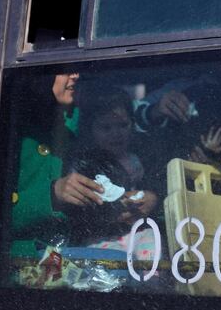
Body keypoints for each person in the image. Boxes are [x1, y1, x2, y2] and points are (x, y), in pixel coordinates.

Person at [10, 72, 106, 258]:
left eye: (77, 68)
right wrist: (52, 194)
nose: (76, 75)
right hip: (18, 264)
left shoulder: (67, 135)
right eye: (65, 69)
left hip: (64, 254)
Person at [66, 87, 159, 260]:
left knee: (153, 249)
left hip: (135, 230)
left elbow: (152, 186)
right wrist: (109, 213)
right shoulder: (84, 167)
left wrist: (148, 198)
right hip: (98, 237)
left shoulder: (137, 158)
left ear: (132, 123)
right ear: (90, 130)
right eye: (106, 128)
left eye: (123, 125)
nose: (116, 134)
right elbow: (79, 213)